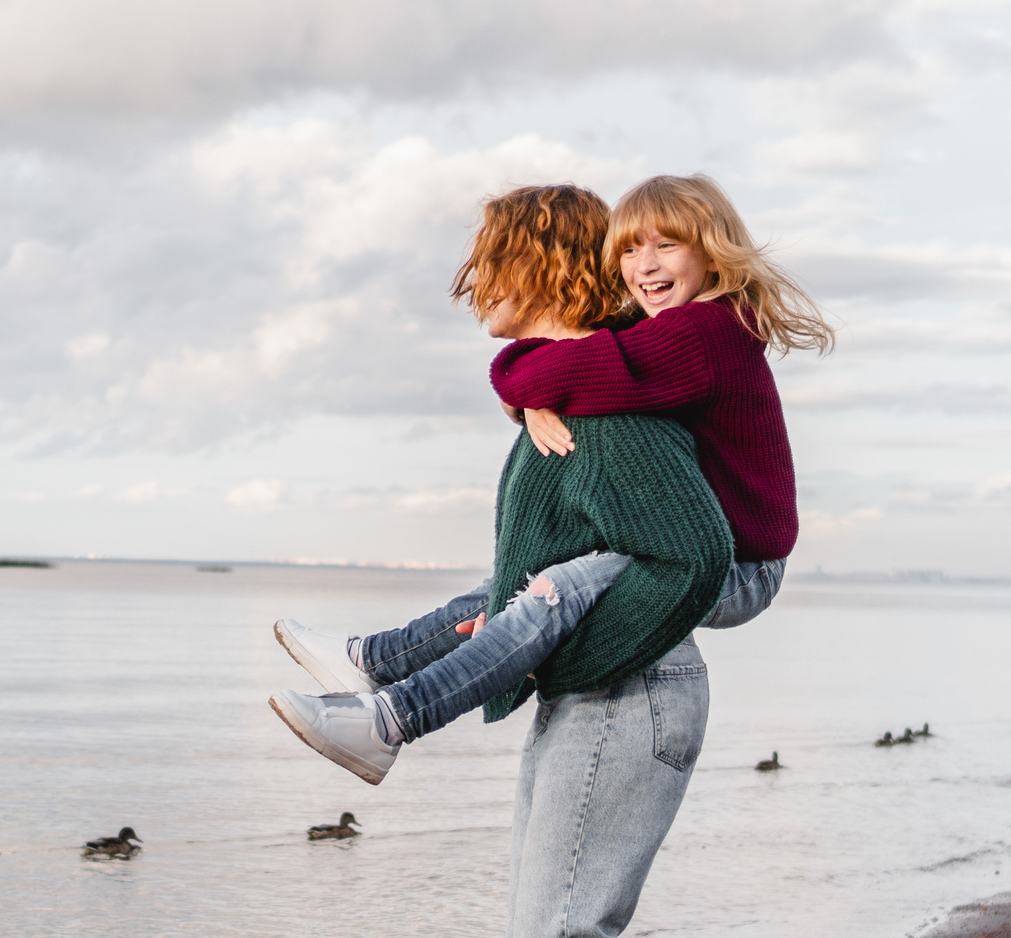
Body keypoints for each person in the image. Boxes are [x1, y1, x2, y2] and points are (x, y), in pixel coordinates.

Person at [275, 175, 831, 938]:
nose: (471, 279)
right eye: (636, 251)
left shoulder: (633, 399)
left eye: (487, 258)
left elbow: (690, 559)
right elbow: (540, 573)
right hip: (598, 692)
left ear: (532, 266)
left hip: (634, 687)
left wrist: (574, 640)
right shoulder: (588, 394)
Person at [268, 174, 825, 786]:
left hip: (739, 564)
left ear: (713, 250)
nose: (645, 265)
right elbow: (586, 363)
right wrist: (537, 395)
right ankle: (375, 663)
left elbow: (581, 366)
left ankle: (393, 719)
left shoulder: (706, 332)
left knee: (557, 586)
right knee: (516, 585)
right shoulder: (665, 332)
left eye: (667, 245)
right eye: (630, 251)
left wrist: (530, 387)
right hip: (702, 546)